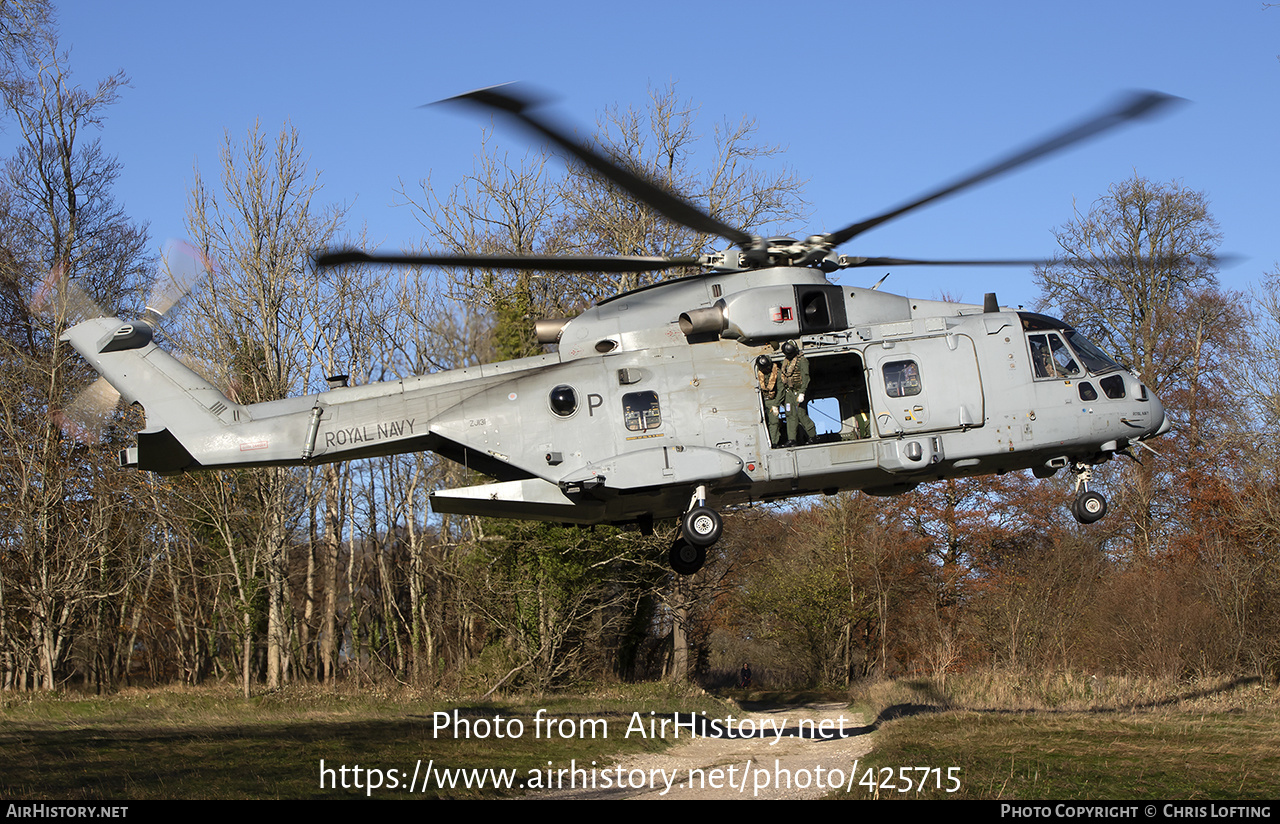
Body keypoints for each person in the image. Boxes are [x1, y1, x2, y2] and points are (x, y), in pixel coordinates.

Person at [778, 339, 816, 446]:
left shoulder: (802, 361)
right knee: (790, 415)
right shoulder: (785, 362)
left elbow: (806, 377)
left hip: (798, 391)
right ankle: (792, 439)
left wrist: (802, 392)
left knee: (801, 414)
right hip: (789, 392)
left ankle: (813, 436)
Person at [754, 353, 782, 447]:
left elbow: (780, 389)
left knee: (774, 422)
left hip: (772, 400)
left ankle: (773, 442)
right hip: (759, 400)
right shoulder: (756, 372)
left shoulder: (776, 372)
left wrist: (776, 405)